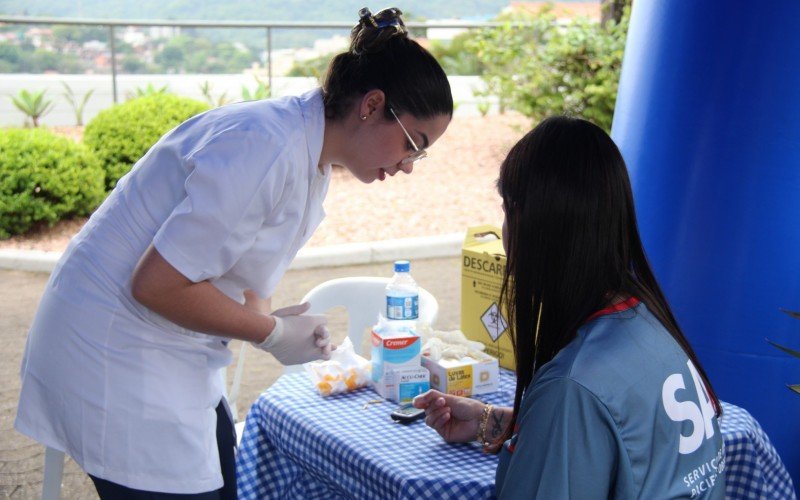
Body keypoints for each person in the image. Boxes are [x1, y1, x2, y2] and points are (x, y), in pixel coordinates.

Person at [15, 7, 452, 498]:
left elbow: (240, 277)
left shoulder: (311, 157)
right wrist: (272, 333)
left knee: (224, 473)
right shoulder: (265, 145)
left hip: (170, 348)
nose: (409, 166)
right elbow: (156, 284)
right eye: (413, 144)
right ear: (371, 105)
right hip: (113, 350)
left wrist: (271, 322)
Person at [414, 117, 725, 499]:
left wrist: (548, 419)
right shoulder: (647, 321)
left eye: (507, 208)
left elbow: (582, 412)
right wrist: (492, 421)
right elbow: (625, 441)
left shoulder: (571, 385)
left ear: (535, 225)